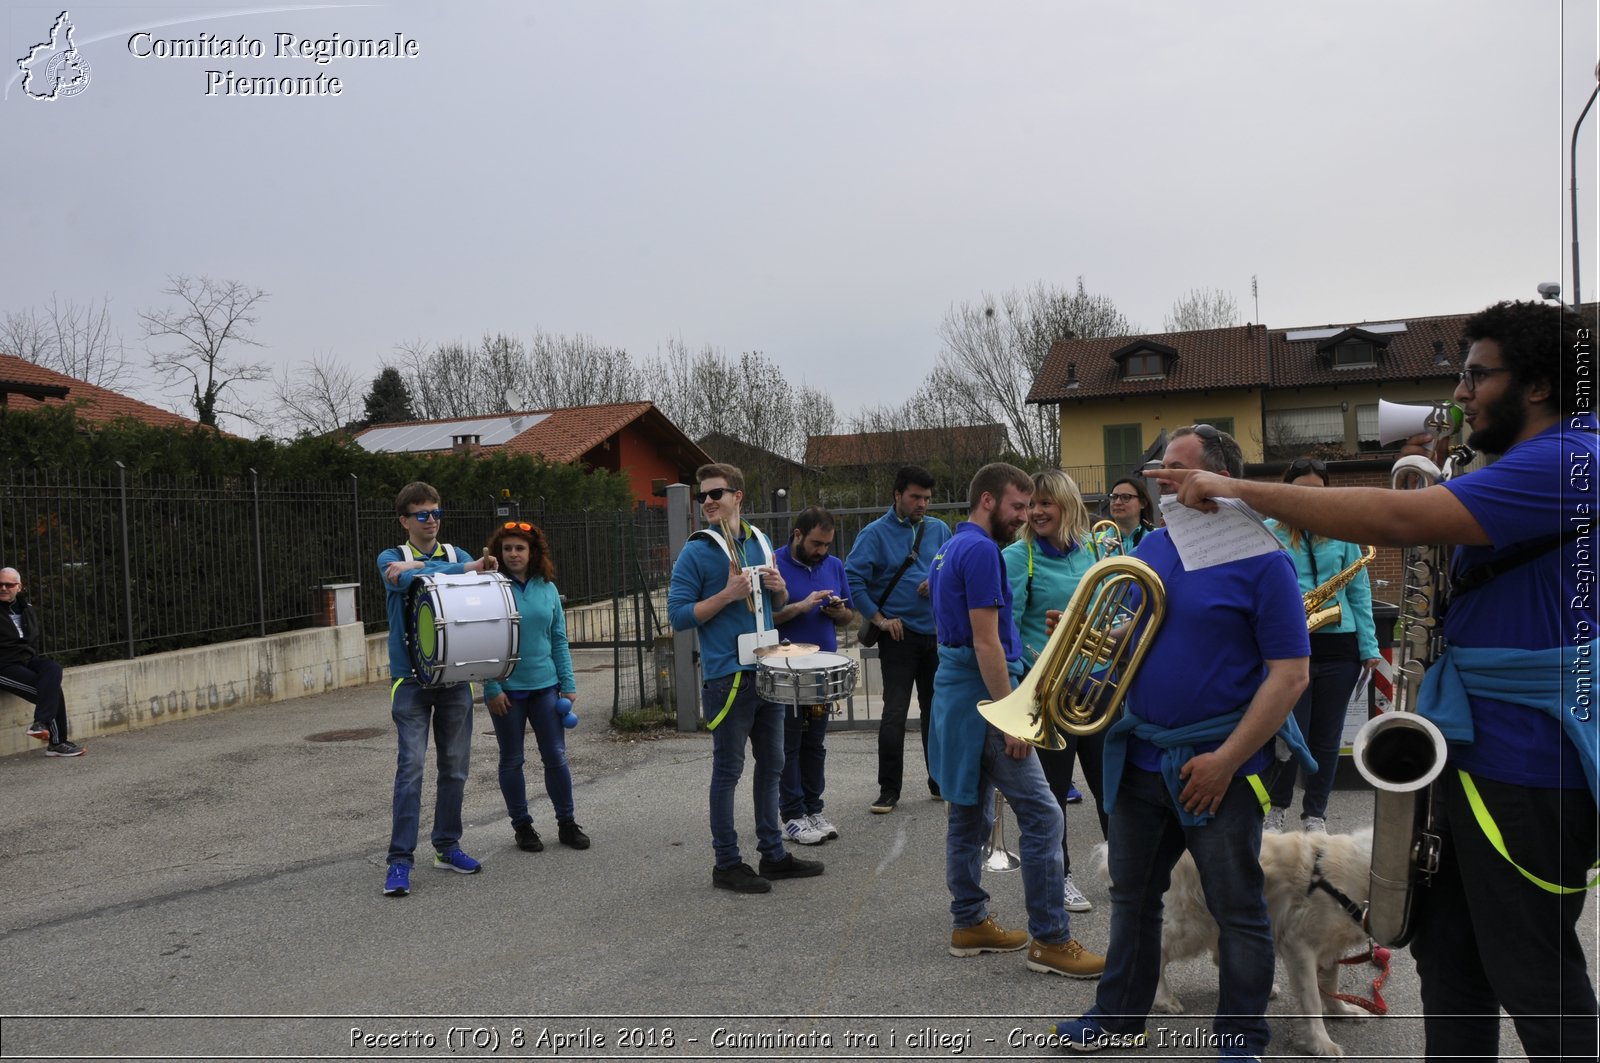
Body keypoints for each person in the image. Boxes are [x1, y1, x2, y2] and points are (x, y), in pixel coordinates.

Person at [1159, 301, 1597, 1062]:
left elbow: (1400, 522)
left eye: (1474, 375)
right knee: (1452, 958)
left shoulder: (1570, 457)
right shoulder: (1531, 459)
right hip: (1473, 749)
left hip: (1530, 762)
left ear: (1536, 385)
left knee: (1532, 968)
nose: (1459, 394)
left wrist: (1239, 489)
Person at [1056, 424, 1311, 1058]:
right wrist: (1082, 644)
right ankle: (1116, 1021)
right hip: (1141, 760)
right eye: (1160, 466)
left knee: (1238, 908)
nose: (1158, 477)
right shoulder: (1156, 547)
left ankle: (1241, 1037)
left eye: (1175, 468)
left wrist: (1226, 761)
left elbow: (1291, 675)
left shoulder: (1264, 559)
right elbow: (1132, 646)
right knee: (1133, 900)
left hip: (1218, 765)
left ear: (1218, 479)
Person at [928, 462, 1106, 979]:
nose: (1025, 517)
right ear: (988, 501)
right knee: (1044, 817)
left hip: (957, 696)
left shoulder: (950, 547)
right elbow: (987, 641)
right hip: (985, 699)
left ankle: (969, 922)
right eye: (1018, 506)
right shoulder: (983, 550)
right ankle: (1051, 940)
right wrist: (1013, 718)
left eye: (1030, 507)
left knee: (970, 812)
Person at [667, 463, 824, 893]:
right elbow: (678, 616)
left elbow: (779, 601)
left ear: (738, 495)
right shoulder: (697, 550)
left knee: (773, 763)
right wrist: (725, 595)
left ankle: (772, 854)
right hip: (727, 677)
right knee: (728, 771)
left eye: (716, 493)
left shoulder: (758, 539)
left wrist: (777, 587)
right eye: (703, 496)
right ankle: (727, 863)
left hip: (766, 669)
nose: (709, 502)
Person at [378, 482, 498, 897]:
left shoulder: (455, 555)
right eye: (423, 515)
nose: (432, 521)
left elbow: (477, 590)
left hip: (453, 680)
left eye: (436, 513)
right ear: (405, 520)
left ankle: (446, 847)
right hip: (410, 681)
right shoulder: (391, 559)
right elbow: (401, 580)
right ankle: (399, 861)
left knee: (455, 768)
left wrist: (438, 570)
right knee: (410, 769)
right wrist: (459, 569)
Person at [1001, 469, 1105, 914]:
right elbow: (1008, 632)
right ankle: (1059, 876)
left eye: (1047, 503)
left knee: (1111, 785)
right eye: (1031, 504)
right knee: (1055, 792)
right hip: (1048, 692)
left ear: (1068, 505)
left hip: (1098, 685)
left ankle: (1123, 867)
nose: (1037, 512)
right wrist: (1041, 660)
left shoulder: (1095, 551)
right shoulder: (1016, 557)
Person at [1263, 458, 1382, 835]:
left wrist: (1370, 647)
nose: (1311, 499)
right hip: (1288, 644)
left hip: (1339, 645)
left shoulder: (1342, 532)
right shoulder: (1267, 531)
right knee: (1286, 734)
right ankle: (1276, 808)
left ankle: (1315, 814)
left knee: (1327, 738)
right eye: (1302, 490)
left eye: (1319, 491)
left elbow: (1359, 594)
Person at [845, 464, 952, 813]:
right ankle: (888, 790)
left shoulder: (940, 529)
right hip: (898, 636)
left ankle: (939, 782)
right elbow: (853, 578)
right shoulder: (874, 533)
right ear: (897, 495)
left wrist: (936, 582)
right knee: (894, 713)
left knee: (936, 712)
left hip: (936, 635)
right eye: (915, 497)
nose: (922, 504)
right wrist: (879, 618)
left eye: (926, 498)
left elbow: (953, 570)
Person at [482, 521, 589, 854]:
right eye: (507, 548)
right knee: (512, 760)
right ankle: (523, 827)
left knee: (556, 757)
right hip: (507, 692)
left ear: (532, 552)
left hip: (546, 687)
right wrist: (492, 687)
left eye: (520, 548)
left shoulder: (547, 588)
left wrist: (568, 684)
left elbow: (558, 638)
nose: (513, 554)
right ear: (498, 553)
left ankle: (567, 823)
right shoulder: (489, 587)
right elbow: (482, 640)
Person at [770, 506, 855, 846]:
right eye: (816, 543)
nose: (822, 551)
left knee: (814, 744)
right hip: (786, 671)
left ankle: (813, 808)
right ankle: (791, 815)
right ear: (797, 535)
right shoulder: (773, 563)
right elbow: (767, 618)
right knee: (788, 745)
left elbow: (849, 618)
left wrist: (838, 611)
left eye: (827, 545)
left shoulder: (833, 566)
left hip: (820, 671)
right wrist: (801, 606)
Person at [0, 568, 83, 758]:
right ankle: (56, 742)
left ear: (19, 587)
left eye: (9, 584)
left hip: (26, 659)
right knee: (50, 691)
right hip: (4, 665)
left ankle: (43, 726)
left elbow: (33, 637)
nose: (3, 588)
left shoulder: (25, 608)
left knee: (53, 669)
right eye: (0, 584)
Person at [1094, 477, 1156, 558]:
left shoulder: (1158, 538)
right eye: (1114, 497)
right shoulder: (1094, 541)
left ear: (1143, 503)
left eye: (1126, 497)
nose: (1117, 502)